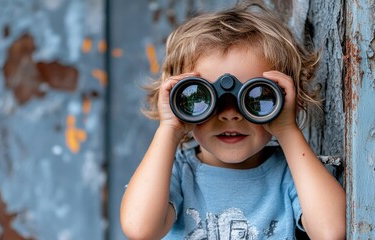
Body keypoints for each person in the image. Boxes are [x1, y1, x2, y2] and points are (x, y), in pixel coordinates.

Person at [120, 2, 346, 239]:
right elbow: (139, 229)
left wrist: (287, 129)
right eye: (202, 98)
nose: (230, 113)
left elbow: (332, 231)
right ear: (179, 103)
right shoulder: (177, 172)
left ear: (284, 99)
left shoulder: (291, 174)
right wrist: (169, 128)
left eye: (255, 97)